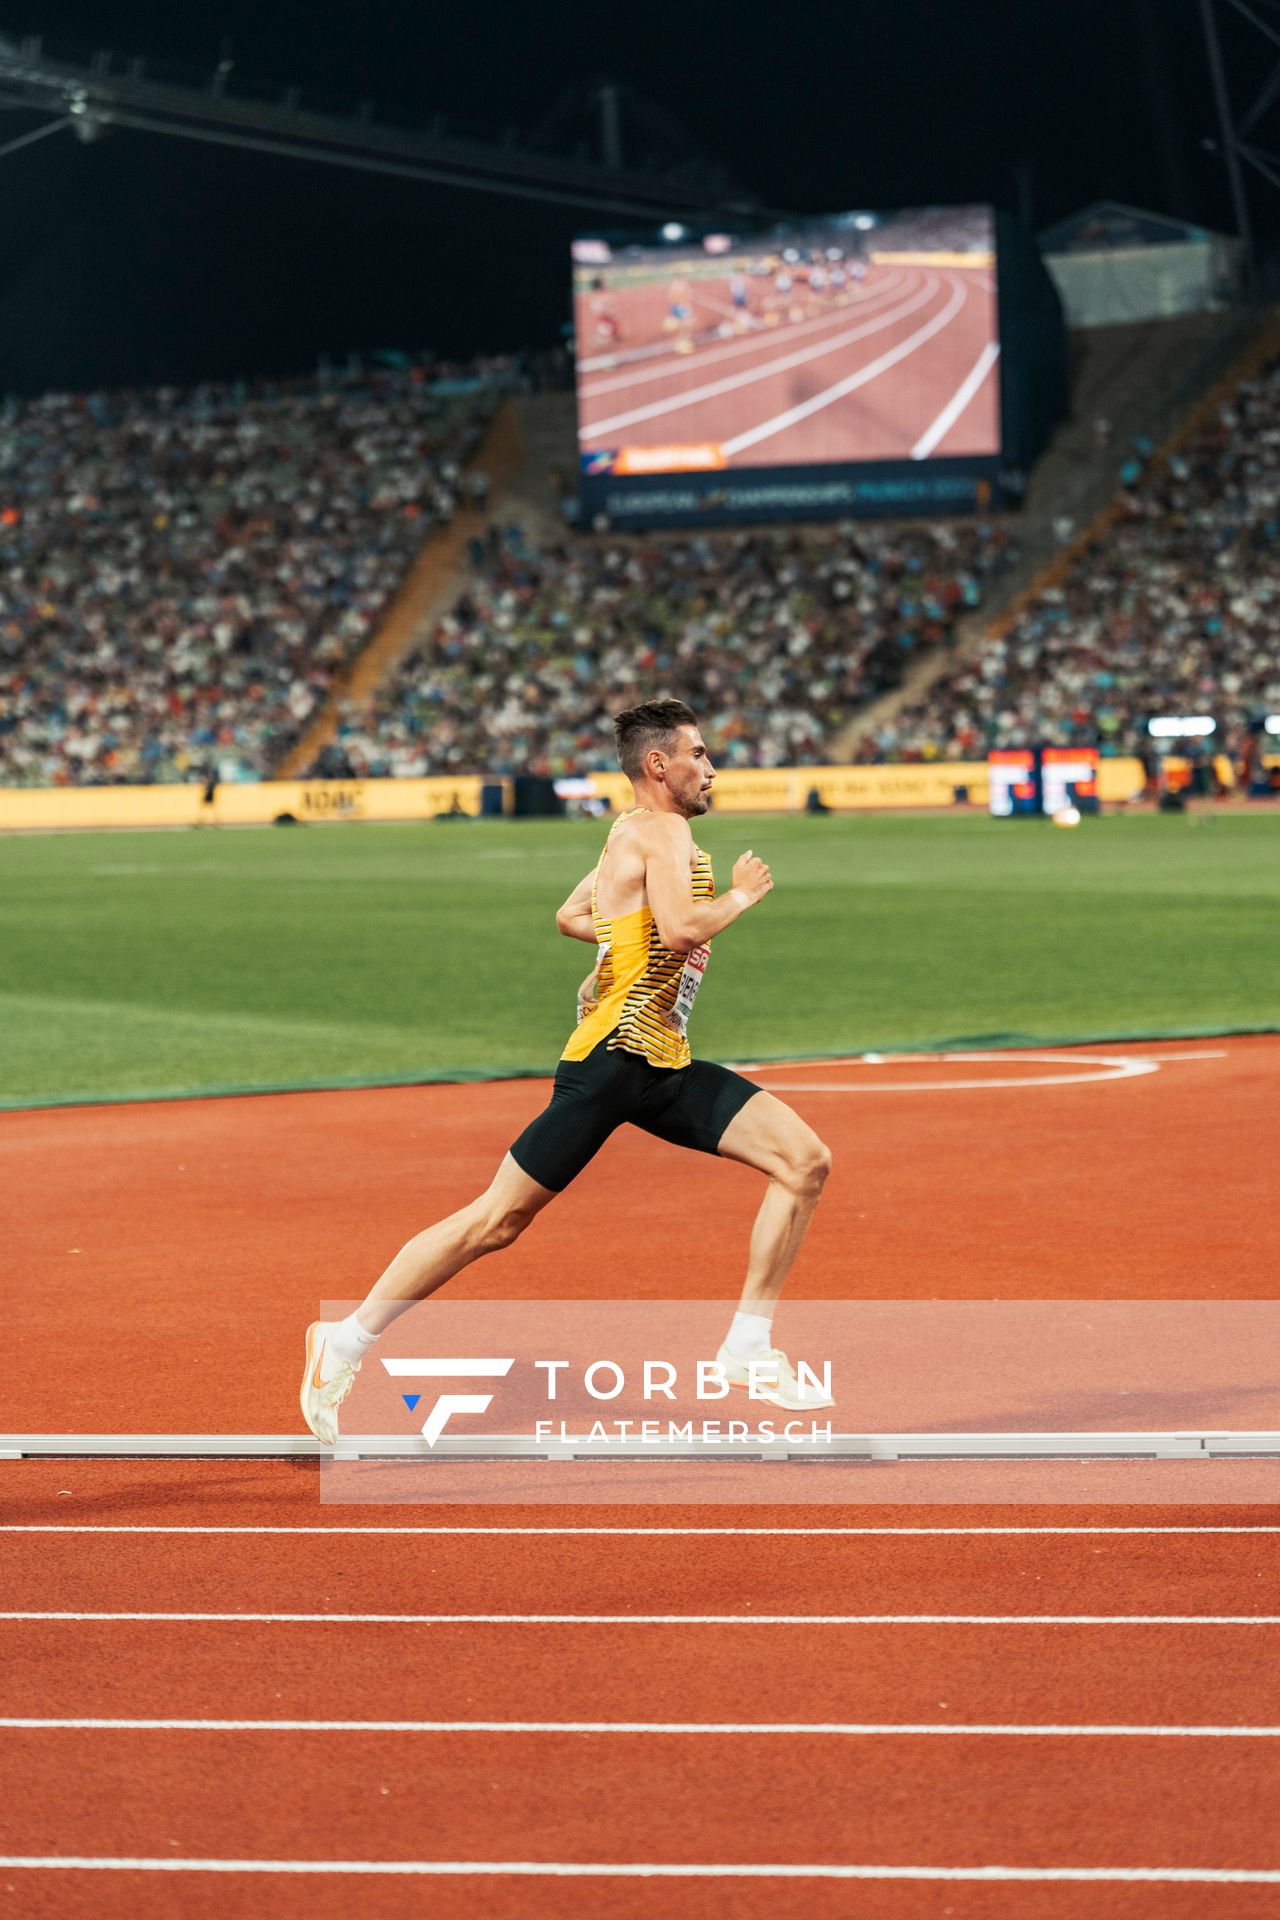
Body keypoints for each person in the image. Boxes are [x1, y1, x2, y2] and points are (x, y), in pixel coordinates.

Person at [301, 697, 834, 1444]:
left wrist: (617, 951)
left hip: (662, 1063)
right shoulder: (662, 829)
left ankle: (747, 1348)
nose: (710, 769)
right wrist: (743, 893)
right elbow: (681, 929)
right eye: (700, 754)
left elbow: (572, 915)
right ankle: (343, 1342)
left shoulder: (629, 834)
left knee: (804, 1162)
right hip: (612, 1062)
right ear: (660, 765)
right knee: (497, 1220)